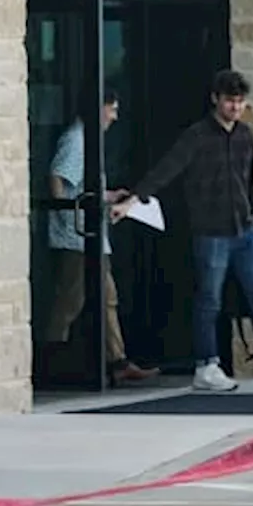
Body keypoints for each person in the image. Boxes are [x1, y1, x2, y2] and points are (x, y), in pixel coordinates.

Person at [109, 69, 253, 393]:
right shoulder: (197, 137)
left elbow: (249, 183)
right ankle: (207, 366)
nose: (235, 107)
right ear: (215, 99)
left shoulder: (245, 136)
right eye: (230, 101)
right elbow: (167, 169)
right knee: (210, 300)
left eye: (240, 102)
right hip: (211, 232)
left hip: (244, 230)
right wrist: (133, 199)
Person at [45, 86, 159, 386]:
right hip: (78, 238)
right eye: (112, 108)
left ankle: (117, 361)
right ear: (98, 109)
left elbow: (80, 185)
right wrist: (68, 216)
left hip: (89, 236)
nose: (115, 116)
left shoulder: (87, 141)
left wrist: (109, 196)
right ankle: (49, 360)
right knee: (70, 300)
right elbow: (58, 178)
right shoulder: (77, 139)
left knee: (107, 298)